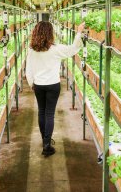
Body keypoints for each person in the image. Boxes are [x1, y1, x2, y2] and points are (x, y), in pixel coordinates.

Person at [26, 21, 85, 157]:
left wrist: (31, 83)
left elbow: (29, 69)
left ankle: (44, 140)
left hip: (39, 85)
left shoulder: (32, 50)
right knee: (49, 114)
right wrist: (79, 32)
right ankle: (47, 144)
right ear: (50, 33)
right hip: (53, 85)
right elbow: (73, 49)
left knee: (41, 112)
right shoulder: (56, 49)